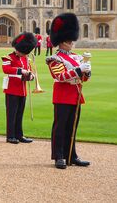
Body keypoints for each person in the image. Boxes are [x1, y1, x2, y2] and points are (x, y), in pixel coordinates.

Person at [46, 13, 91, 170]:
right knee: (60, 127)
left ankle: (71, 155)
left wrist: (86, 72)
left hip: (76, 95)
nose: (71, 43)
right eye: (68, 41)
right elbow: (60, 76)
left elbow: (83, 79)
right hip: (62, 96)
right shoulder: (55, 59)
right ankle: (59, 156)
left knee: (72, 127)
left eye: (71, 40)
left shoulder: (76, 57)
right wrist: (79, 70)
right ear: (61, 42)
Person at [1, 32, 37, 144]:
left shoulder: (26, 58)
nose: (22, 53)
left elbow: (28, 71)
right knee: (11, 114)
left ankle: (19, 135)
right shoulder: (8, 57)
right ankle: (10, 136)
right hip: (12, 90)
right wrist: (21, 71)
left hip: (22, 90)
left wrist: (31, 76)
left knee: (19, 114)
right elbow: (6, 69)